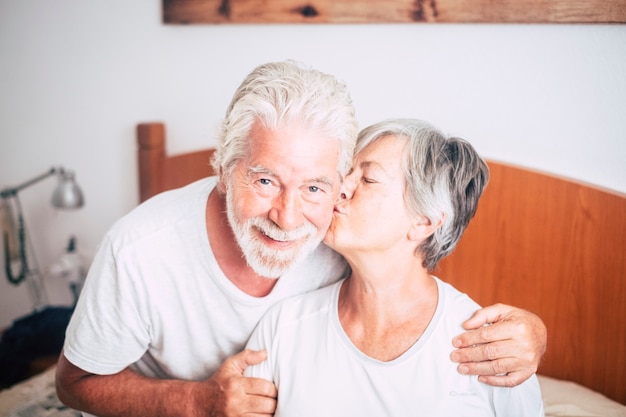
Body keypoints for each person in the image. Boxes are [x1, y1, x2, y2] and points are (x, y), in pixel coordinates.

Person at [56, 61, 546, 417]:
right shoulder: (145, 251)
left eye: (318, 185)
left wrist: (535, 336)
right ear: (224, 171)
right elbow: (73, 383)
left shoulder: (478, 340)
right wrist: (194, 402)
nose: (290, 216)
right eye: (265, 180)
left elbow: (411, 284)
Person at [244, 118, 544, 415]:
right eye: (345, 173)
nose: (340, 188)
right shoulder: (284, 327)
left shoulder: (494, 350)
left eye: (369, 179)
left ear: (424, 222)